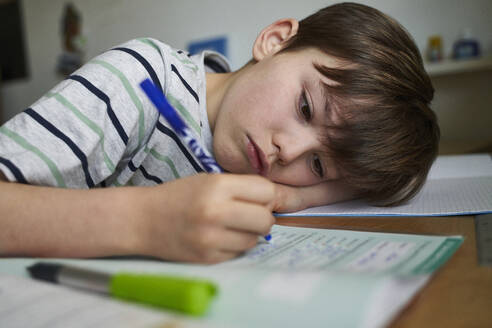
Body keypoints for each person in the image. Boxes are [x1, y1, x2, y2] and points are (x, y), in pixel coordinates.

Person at [0, 3, 439, 263]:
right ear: (275, 40)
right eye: (305, 108)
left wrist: (303, 195)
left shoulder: (262, 168)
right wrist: (144, 222)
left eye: (319, 164)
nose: (288, 152)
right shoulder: (142, 80)